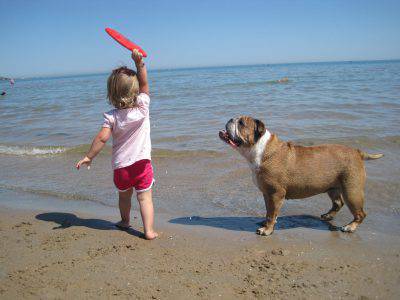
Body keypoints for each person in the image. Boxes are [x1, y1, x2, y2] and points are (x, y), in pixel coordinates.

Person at [76, 49, 158, 240]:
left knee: (124, 197)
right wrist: (140, 65)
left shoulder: (111, 117)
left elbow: (101, 139)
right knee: (145, 198)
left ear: (111, 93)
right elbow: (145, 84)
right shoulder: (143, 108)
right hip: (142, 164)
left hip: (121, 168)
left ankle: (125, 221)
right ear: (135, 91)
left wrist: (89, 156)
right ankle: (149, 231)